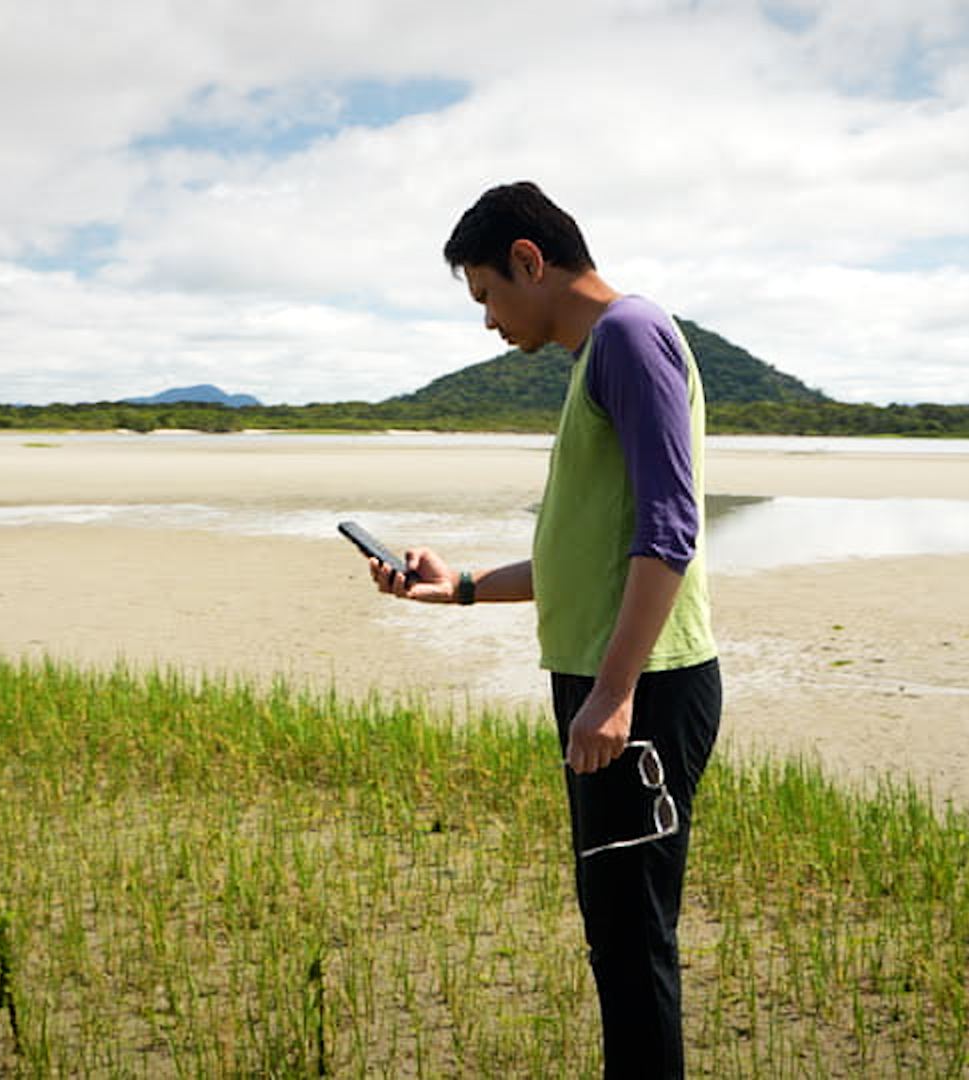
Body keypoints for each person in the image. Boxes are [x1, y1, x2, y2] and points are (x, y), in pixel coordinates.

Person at [361, 180, 721, 1078]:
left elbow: (667, 532)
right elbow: (585, 559)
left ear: (530, 260)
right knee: (614, 935)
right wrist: (462, 588)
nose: (487, 321)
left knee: (632, 946)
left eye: (487, 294)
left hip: (643, 689)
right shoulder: (598, 356)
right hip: (615, 683)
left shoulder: (630, 337)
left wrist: (613, 692)